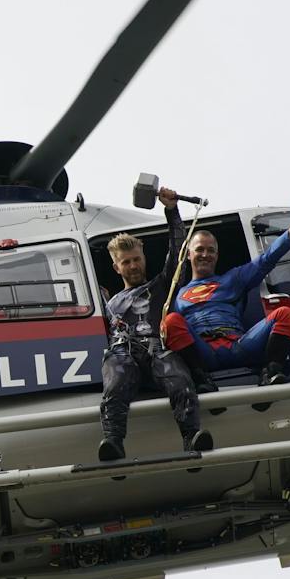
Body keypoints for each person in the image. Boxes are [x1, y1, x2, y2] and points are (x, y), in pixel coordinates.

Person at [161, 194, 290, 388]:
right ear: (188, 255)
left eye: (211, 250)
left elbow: (267, 259)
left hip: (238, 346)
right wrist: (171, 210)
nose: (205, 255)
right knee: (169, 321)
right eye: (199, 250)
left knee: (286, 314)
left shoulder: (232, 278)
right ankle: (200, 379)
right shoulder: (177, 295)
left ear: (217, 255)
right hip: (204, 354)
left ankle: (270, 373)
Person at [98, 186, 213, 462]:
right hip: (124, 355)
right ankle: (113, 441)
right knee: (116, 376)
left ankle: (191, 436)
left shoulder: (161, 286)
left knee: (178, 377)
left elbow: (177, 253)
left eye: (137, 259)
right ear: (117, 268)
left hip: (157, 351)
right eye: (126, 262)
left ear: (144, 258)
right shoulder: (108, 305)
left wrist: (171, 211)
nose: (133, 266)